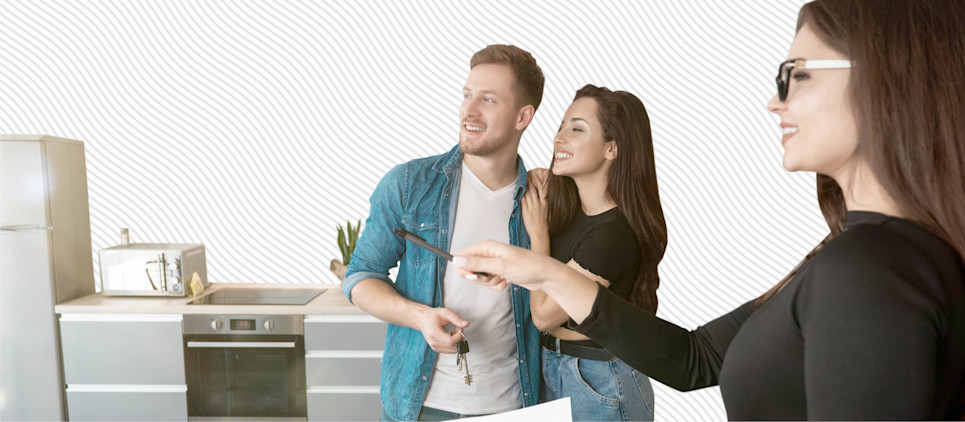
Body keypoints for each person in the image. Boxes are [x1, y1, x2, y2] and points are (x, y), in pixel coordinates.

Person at [452, 0, 965, 419]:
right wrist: (540, 270)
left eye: (797, 75)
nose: (774, 101)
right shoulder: (865, 253)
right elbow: (695, 360)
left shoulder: (869, 270)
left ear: (886, 80)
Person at [343, 45, 544, 421]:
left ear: (523, 116)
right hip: (420, 407)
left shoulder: (545, 200)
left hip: (514, 406)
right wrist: (419, 316)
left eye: (488, 99)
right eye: (467, 95)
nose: (469, 110)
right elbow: (360, 278)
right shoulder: (408, 185)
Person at [522, 85, 664, 421]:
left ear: (611, 148)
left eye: (577, 129)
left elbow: (544, 315)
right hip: (554, 367)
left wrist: (539, 235)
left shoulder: (614, 234)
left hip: (598, 380)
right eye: (561, 126)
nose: (560, 137)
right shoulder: (567, 210)